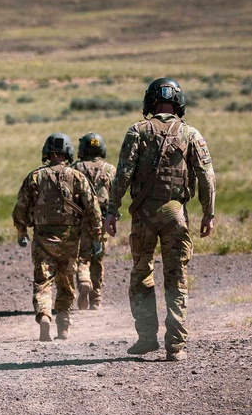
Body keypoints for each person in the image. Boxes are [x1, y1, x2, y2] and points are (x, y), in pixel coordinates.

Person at [104, 78, 217, 361]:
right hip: (176, 215)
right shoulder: (191, 134)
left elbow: (122, 175)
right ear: (178, 102)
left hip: (143, 215)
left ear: (150, 101)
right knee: (176, 276)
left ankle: (145, 337)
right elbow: (206, 176)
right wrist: (208, 213)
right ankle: (176, 346)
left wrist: (111, 210)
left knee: (142, 273)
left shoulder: (137, 132)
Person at [13, 133, 102, 342]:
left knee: (43, 282)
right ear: (69, 152)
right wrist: (97, 235)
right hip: (70, 241)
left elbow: (21, 208)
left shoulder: (35, 177)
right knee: (66, 282)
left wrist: (21, 230)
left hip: (43, 239)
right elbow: (93, 208)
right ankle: (63, 326)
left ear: (47, 152)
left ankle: (44, 315)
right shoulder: (77, 177)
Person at [71, 132, 116, 310]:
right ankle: (95, 300)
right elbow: (115, 194)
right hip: (103, 220)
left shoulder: (75, 168)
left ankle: (83, 280)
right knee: (98, 258)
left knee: (82, 257)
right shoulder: (110, 169)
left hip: (80, 220)